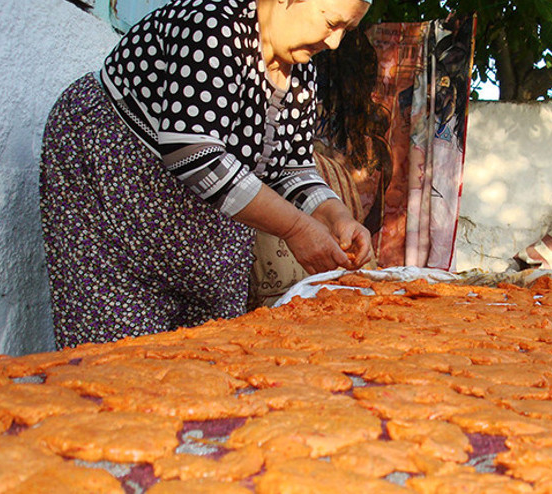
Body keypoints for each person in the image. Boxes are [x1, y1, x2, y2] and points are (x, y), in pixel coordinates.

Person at [39, 0, 374, 349]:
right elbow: (193, 154)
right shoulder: (214, 25)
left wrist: (337, 216)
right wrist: (295, 228)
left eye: (345, 31)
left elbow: (291, 165)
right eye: (331, 22)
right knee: (119, 356)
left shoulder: (301, 71)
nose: (334, 43)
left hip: (199, 215)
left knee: (209, 350)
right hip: (113, 188)